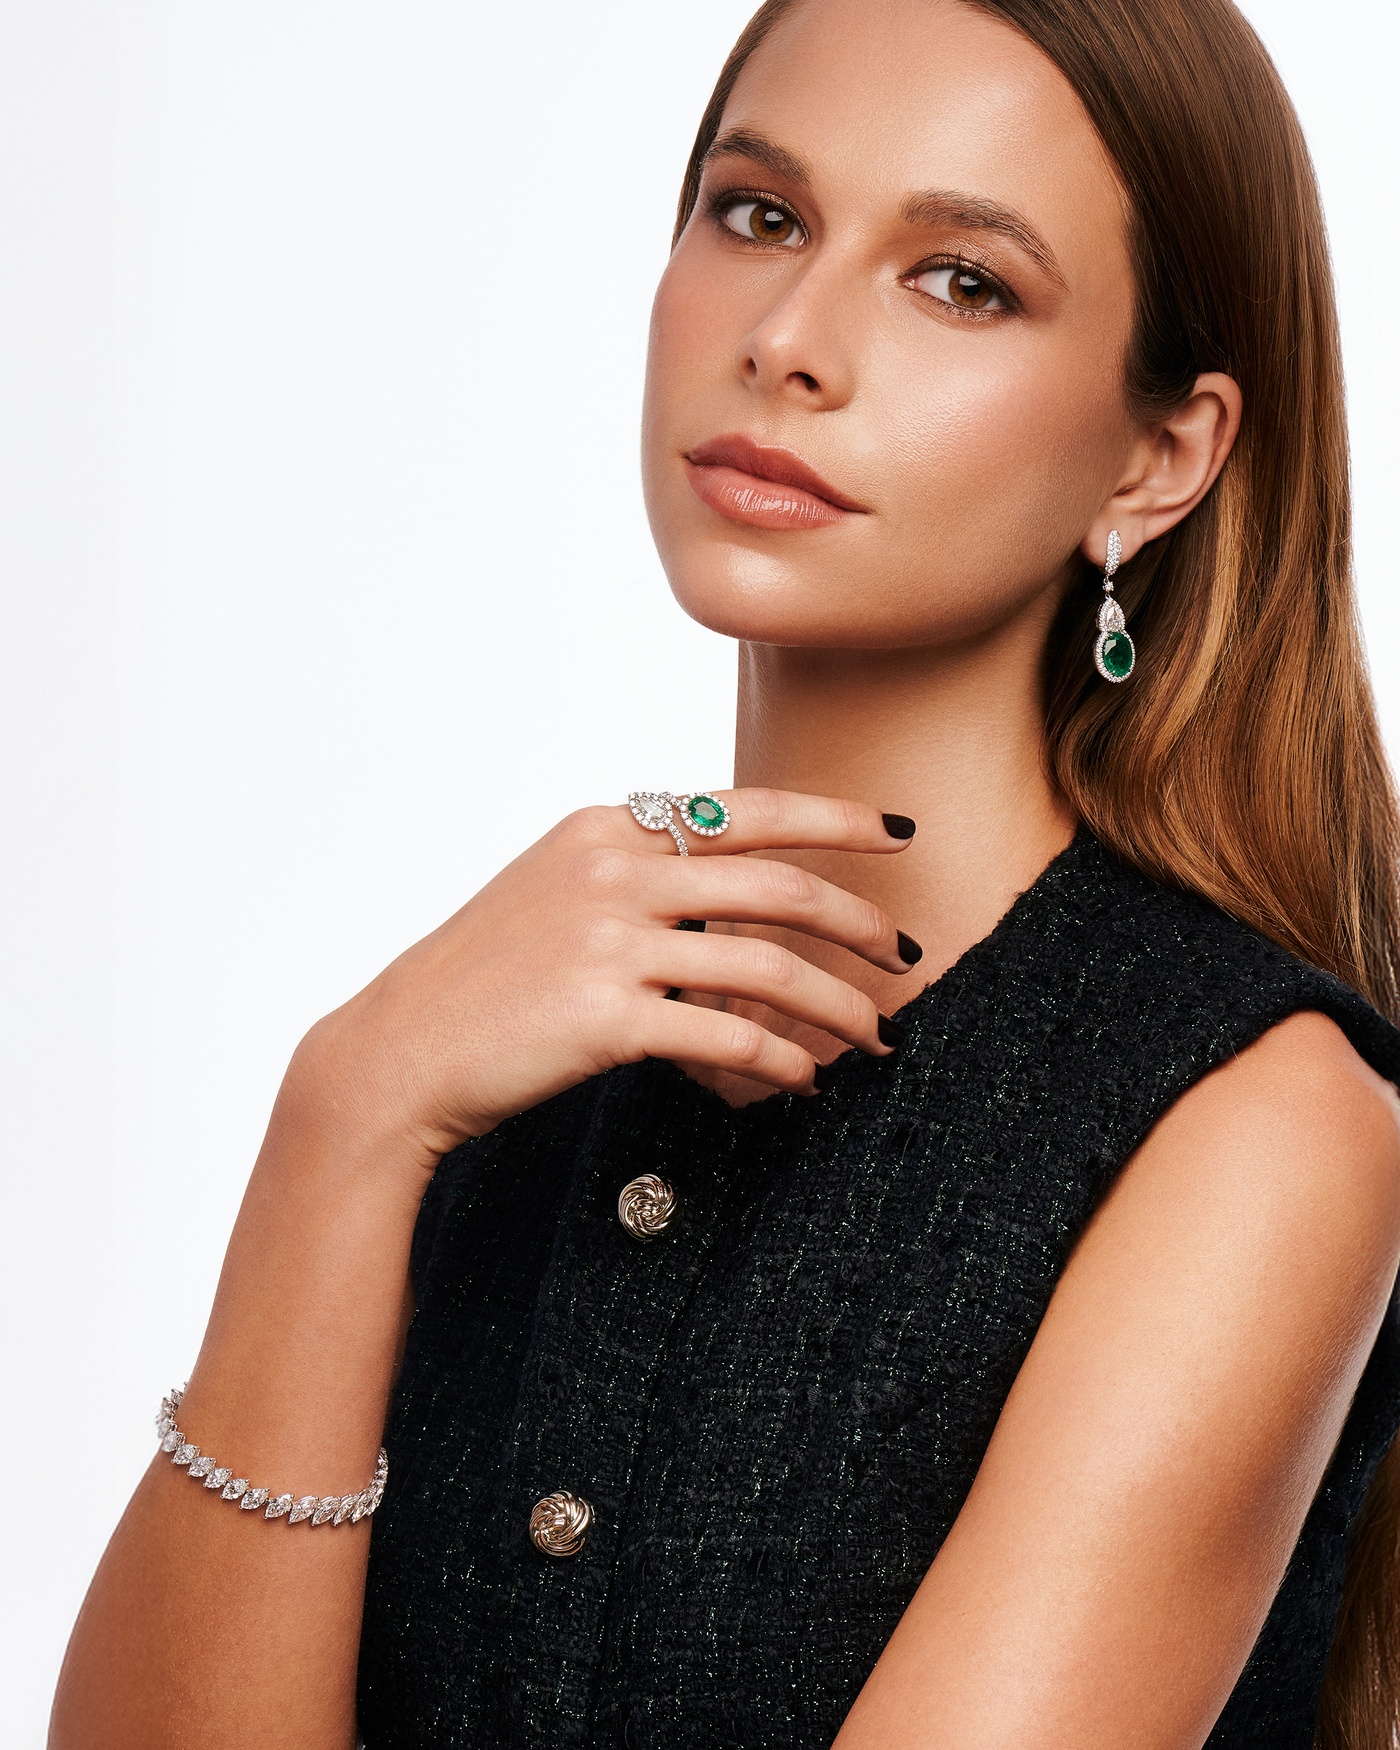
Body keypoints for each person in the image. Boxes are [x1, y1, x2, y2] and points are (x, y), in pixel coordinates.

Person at [49, 0, 1400, 1745]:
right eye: (759, 214)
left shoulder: (1257, 1122)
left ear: (1163, 457)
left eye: (962, 281)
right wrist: (347, 1112)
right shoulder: (496, 1054)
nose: (788, 339)